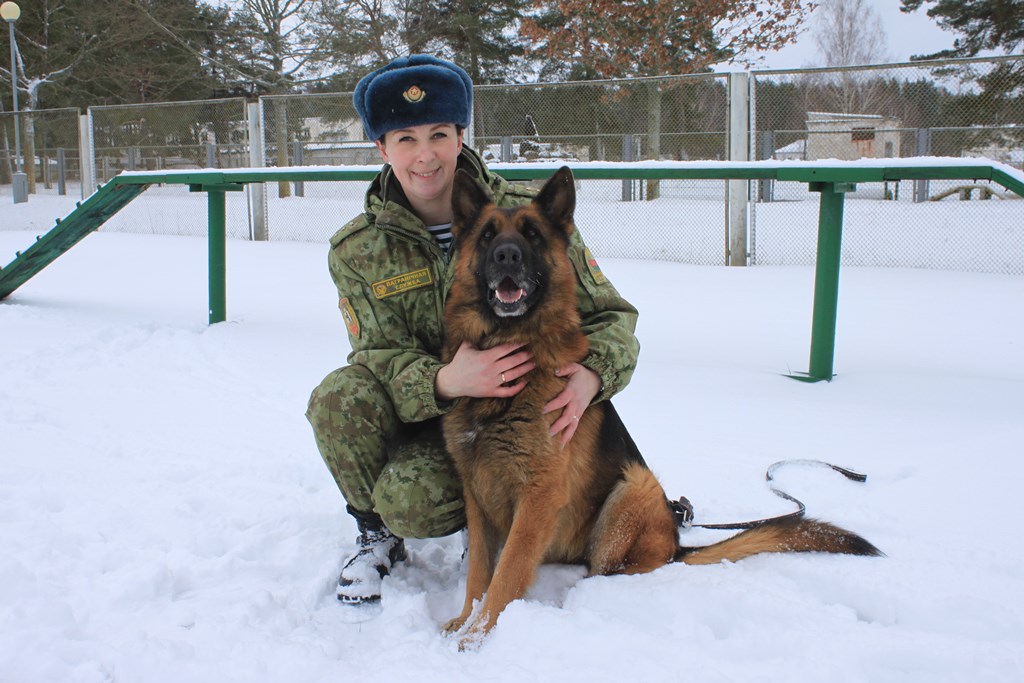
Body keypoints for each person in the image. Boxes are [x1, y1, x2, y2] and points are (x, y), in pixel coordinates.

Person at [305, 54, 641, 604]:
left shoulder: (527, 219)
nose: (425, 154)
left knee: (417, 495)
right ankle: (375, 536)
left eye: (439, 133)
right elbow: (377, 356)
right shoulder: (358, 249)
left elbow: (612, 316)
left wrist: (592, 377)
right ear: (382, 149)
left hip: (508, 420)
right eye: (405, 138)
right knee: (337, 397)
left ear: (461, 137)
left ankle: (488, 531)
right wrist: (445, 381)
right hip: (430, 411)